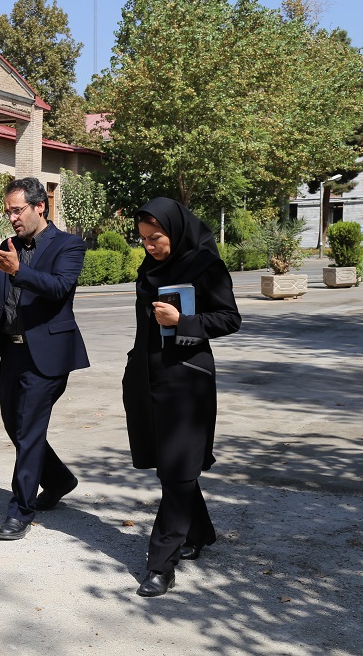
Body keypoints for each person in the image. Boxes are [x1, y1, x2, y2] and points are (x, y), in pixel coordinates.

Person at [0, 176, 89, 540]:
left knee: (28, 430)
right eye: (8, 211)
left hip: (47, 355)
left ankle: (20, 511)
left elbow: (60, 287)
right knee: (15, 424)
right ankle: (59, 479)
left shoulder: (69, 245)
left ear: (40, 206)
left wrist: (18, 270)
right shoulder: (9, 245)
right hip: (11, 351)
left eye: (17, 210)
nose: (11, 218)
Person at [123, 197, 241, 597]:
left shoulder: (205, 265)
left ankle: (161, 564)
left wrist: (184, 322)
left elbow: (230, 318)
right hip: (147, 377)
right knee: (171, 465)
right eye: (143, 239)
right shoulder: (149, 267)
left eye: (155, 238)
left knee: (176, 470)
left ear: (175, 231)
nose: (149, 246)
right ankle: (200, 531)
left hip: (188, 381)